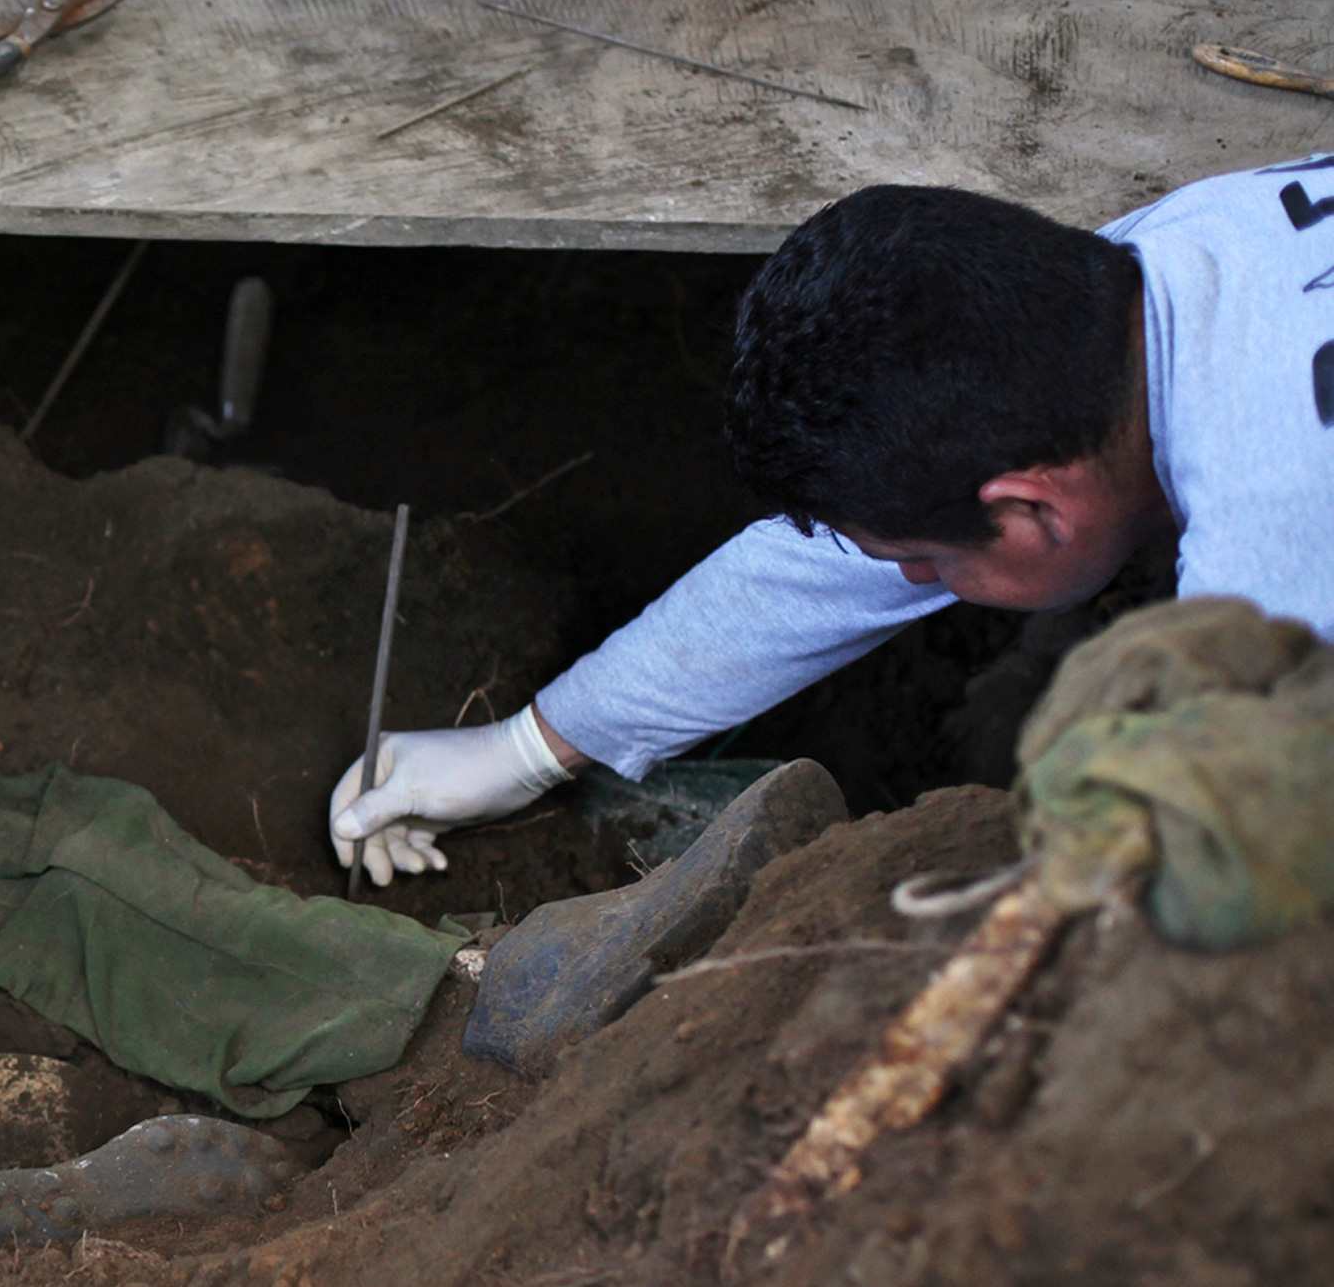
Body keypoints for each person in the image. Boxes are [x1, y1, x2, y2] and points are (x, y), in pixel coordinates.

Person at [330, 162, 1334, 885]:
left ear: (1032, 506)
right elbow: (824, 576)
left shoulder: (1278, 555)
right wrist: (531, 748)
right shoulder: (1177, 258)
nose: (903, 583)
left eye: (926, 561)